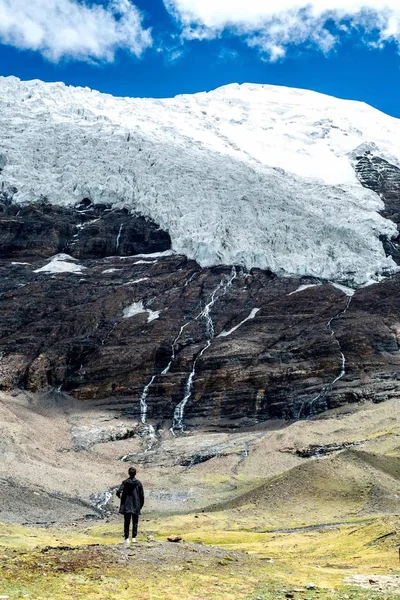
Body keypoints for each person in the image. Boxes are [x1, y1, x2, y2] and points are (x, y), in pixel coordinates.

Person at [116, 466, 145, 546]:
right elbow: (142, 495)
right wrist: (140, 504)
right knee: (135, 521)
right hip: (136, 504)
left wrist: (121, 497)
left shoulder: (125, 482)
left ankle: (126, 538)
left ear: (128, 473)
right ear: (135, 473)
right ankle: (134, 538)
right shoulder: (138, 483)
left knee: (126, 522)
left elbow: (118, 491)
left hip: (127, 504)